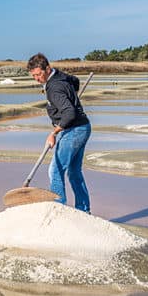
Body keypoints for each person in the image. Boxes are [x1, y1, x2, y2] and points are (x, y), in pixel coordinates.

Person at [27, 53, 91, 213]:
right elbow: (75, 81)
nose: (36, 78)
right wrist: (71, 93)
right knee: (74, 172)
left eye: (38, 74)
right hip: (83, 127)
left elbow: (69, 113)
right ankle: (84, 210)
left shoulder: (54, 88)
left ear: (47, 69)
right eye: (33, 75)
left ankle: (58, 210)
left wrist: (54, 132)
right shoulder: (59, 76)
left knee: (55, 170)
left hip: (73, 130)